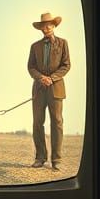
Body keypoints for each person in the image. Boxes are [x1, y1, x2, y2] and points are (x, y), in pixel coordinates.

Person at [27, 11, 71, 169]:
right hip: (39, 89)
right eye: (44, 26)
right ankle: (40, 157)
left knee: (57, 122)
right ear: (40, 28)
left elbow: (66, 65)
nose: (47, 28)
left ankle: (56, 160)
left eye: (49, 25)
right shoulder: (35, 46)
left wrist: (51, 78)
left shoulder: (63, 43)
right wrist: (41, 78)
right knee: (37, 122)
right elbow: (30, 67)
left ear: (54, 25)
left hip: (56, 88)